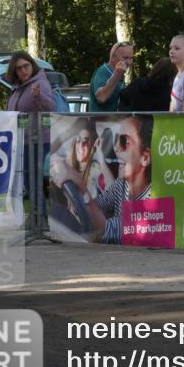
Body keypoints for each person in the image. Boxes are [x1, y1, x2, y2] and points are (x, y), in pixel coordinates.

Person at [86, 115, 153, 245]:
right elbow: (99, 205)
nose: (116, 147)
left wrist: (80, 188)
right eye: (116, 139)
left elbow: (108, 230)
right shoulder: (121, 185)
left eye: (124, 141)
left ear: (145, 158)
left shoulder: (152, 198)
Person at [49, 118, 114, 234]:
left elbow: (113, 193)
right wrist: (70, 132)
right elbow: (50, 153)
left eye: (86, 141)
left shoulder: (97, 169)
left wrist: (100, 158)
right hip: (71, 222)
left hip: (89, 226)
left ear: (92, 145)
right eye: (78, 140)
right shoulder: (69, 166)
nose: (81, 144)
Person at [89, 41, 134, 113]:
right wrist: (116, 75)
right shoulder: (103, 71)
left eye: (131, 58)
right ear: (113, 57)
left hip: (115, 120)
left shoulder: (119, 75)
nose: (129, 62)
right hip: (100, 120)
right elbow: (101, 97)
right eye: (125, 58)